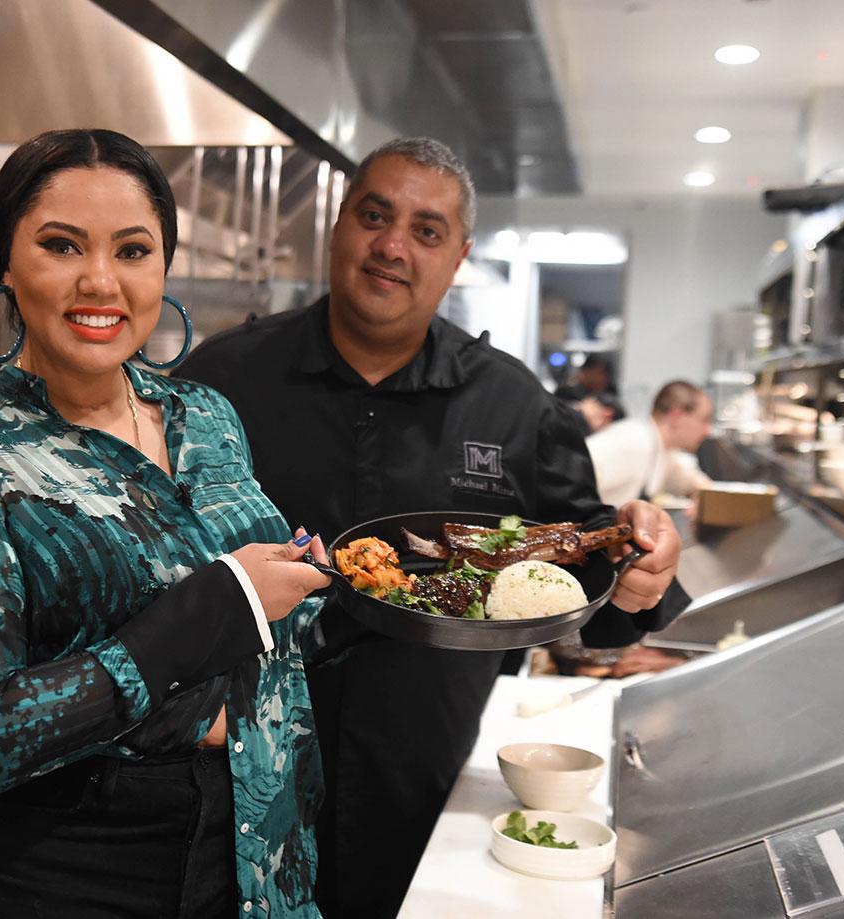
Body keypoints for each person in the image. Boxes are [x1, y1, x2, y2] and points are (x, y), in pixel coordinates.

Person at [175, 137, 689, 918]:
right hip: (230, 782)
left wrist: (640, 568)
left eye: (426, 229)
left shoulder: (513, 407)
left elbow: (588, 581)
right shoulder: (223, 379)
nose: (391, 246)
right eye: (374, 216)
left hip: (427, 782)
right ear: (339, 227)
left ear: (458, 258)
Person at [0, 129, 335, 918]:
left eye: (133, 251)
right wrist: (220, 605)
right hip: (70, 869)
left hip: (258, 850)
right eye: (62, 246)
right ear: (6, 265)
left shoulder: (207, 416)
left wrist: (303, 588)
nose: (101, 281)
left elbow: (257, 634)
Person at [588, 379, 715, 508]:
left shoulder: (664, 451)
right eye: (704, 420)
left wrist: (700, 500)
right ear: (676, 416)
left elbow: (695, 483)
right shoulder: (633, 441)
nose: (708, 431)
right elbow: (574, 477)